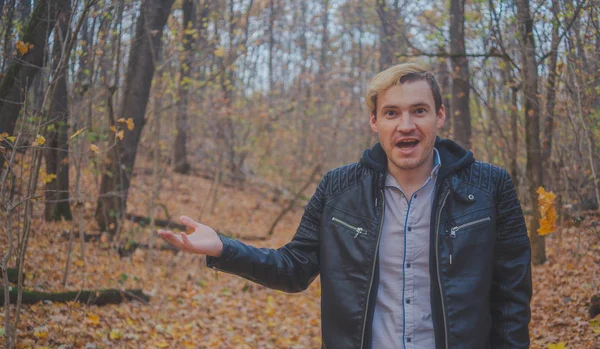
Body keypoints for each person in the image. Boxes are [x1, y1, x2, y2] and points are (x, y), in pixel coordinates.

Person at [157, 63, 532, 349]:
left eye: (419, 110)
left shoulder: (489, 186)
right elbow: (293, 268)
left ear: (440, 116)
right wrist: (224, 247)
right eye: (391, 113)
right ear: (374, 121)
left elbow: (511, 298)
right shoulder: (338, 188)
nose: (406, 125)